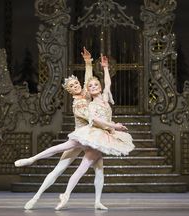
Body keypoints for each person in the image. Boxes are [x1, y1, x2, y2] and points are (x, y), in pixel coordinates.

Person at [15, 47, 107, 210]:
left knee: (99, 168)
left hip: (91, 138)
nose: (76, 85)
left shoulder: (85, 94)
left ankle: (97, 201)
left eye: (76, 83)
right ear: (70, 90)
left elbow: (87, 80)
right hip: (81, 137)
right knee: (59, 168)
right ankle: (36, 195)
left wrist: (87, 63)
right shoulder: (77, 103)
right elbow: (90, 118)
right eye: (72, 85)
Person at [54, 54, 135, 210]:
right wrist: (114, 126)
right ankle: (66, 194)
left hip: (106, 135)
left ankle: (97, 201)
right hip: (97, 135)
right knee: (82, 168)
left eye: (96, 84)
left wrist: (105, 68)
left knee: (99, 170)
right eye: (90, 86)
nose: (94, 87)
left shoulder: (104, 97)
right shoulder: (89, 105)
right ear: (88, 91)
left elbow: (108, 83)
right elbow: (97, 121)